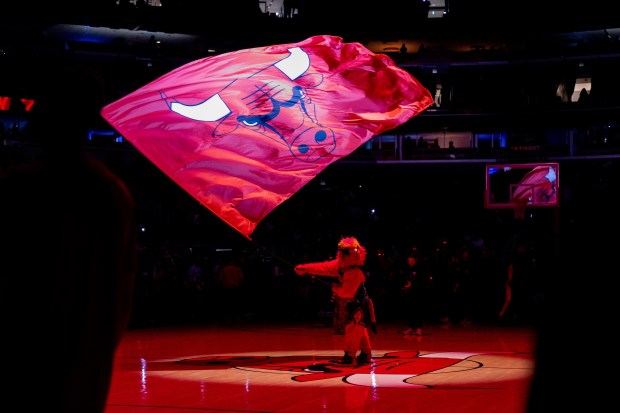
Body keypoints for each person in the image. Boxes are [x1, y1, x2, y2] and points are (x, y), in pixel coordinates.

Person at [0, 59, 138, 412]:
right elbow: (119, 293)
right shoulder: (111, 191)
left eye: (42, 104)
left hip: (28, 354)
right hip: (84, 358)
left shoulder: (20, 186)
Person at [295, 236, 376, 365]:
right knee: (357, 326)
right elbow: (323, 267)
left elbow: (347, 292)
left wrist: (336, 289)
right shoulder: (340, 265)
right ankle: (366, 353)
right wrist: (305, 268)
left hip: (359, 303)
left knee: (353, 327)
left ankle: (349, 356)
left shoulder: (355, 273)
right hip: (353, 302)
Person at [398, 250, 432, 335]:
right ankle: (411, 327)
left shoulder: (421, 268)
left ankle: (419, 328)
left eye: (411, 261)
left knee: (418, 310)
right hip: (411, 293)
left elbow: (423, 280)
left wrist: (412, 284)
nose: (410, 262)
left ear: (415, 260)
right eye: (408, 261)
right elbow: (405, 278)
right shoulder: (407, 268)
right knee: (410, 310)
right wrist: (405, 286)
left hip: (419, 292)